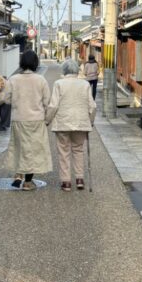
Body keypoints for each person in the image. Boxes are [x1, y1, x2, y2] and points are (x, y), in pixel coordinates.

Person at [0, 49, 51, 190]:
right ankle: (28, 182)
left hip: (19, 119)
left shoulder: (13, 79)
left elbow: (6, 99)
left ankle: (18, 174)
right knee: (32, 150)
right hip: (36, 120)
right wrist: (47, 119)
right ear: (35, 63)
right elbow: (48, 103)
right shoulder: (41, 80)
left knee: (18, 147)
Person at [46, 59, 96, 191]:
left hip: (63, 122)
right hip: (81, 122)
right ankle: (80, 179)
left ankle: (66, 182)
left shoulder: (59, 84)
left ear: (64, 70)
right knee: (78, 150)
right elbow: (92, 106)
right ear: (77, 70)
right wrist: (90, 121)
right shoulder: (85, 84)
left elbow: (53, 105)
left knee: (64, 152)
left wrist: (47, 120)